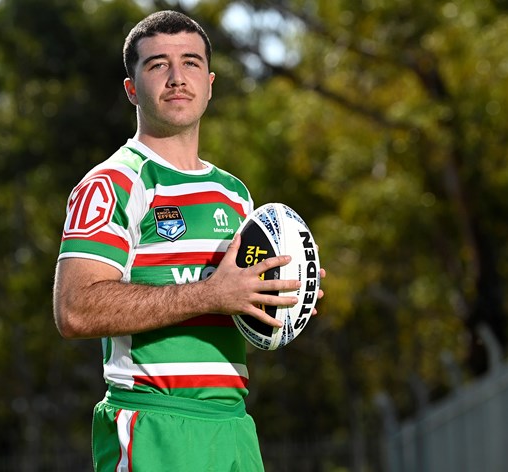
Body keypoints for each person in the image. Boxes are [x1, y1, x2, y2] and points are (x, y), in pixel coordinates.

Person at [53, 10, 324, 471]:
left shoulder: (234, 194)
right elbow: (75, 309)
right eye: (158, 64)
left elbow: (242, 307)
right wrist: (212, 294)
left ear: (211, 83)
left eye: (191, 63)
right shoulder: (113, 183)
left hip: (233, 426)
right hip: (155, 426)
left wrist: (285, 296)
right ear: (131, 88)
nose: (177, 78)